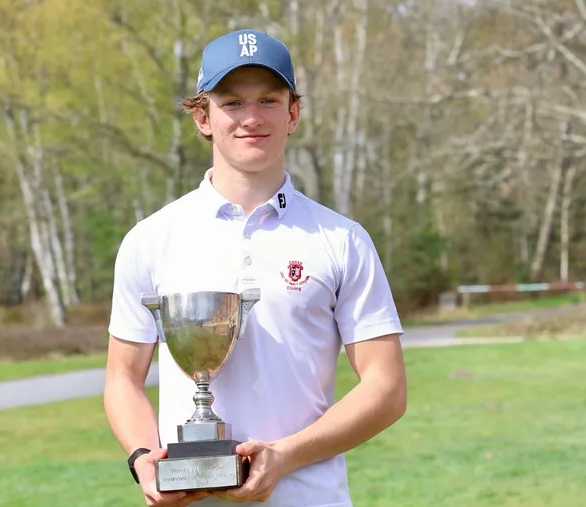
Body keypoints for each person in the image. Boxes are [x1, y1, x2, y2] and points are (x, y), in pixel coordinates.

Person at [104, 28, 407, 507]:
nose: (251, 118)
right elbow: (123, 378)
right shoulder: (151, 239)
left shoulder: (342, 239)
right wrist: (143, 458)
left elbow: (386, 388)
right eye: (232, 103)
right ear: (203, 117)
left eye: (268, 100)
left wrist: (285, 456)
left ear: (293, 113)